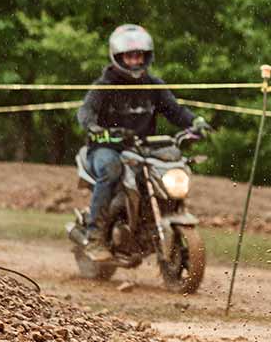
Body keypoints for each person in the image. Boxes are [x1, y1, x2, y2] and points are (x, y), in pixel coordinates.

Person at [70, 24, 210, 261]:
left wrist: (195, 122)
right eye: (130, 55)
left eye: (139, 56)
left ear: (147, 56)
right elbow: (85, 112)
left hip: (141, 149)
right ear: (118, 56)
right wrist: (95, 129)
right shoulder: (105, 86)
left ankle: (151, 224)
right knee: (111, 169)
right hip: (106, 148)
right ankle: (95, 237)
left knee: (169, 167)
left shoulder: (153, 85)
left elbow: (175, 111)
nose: (135, 61)